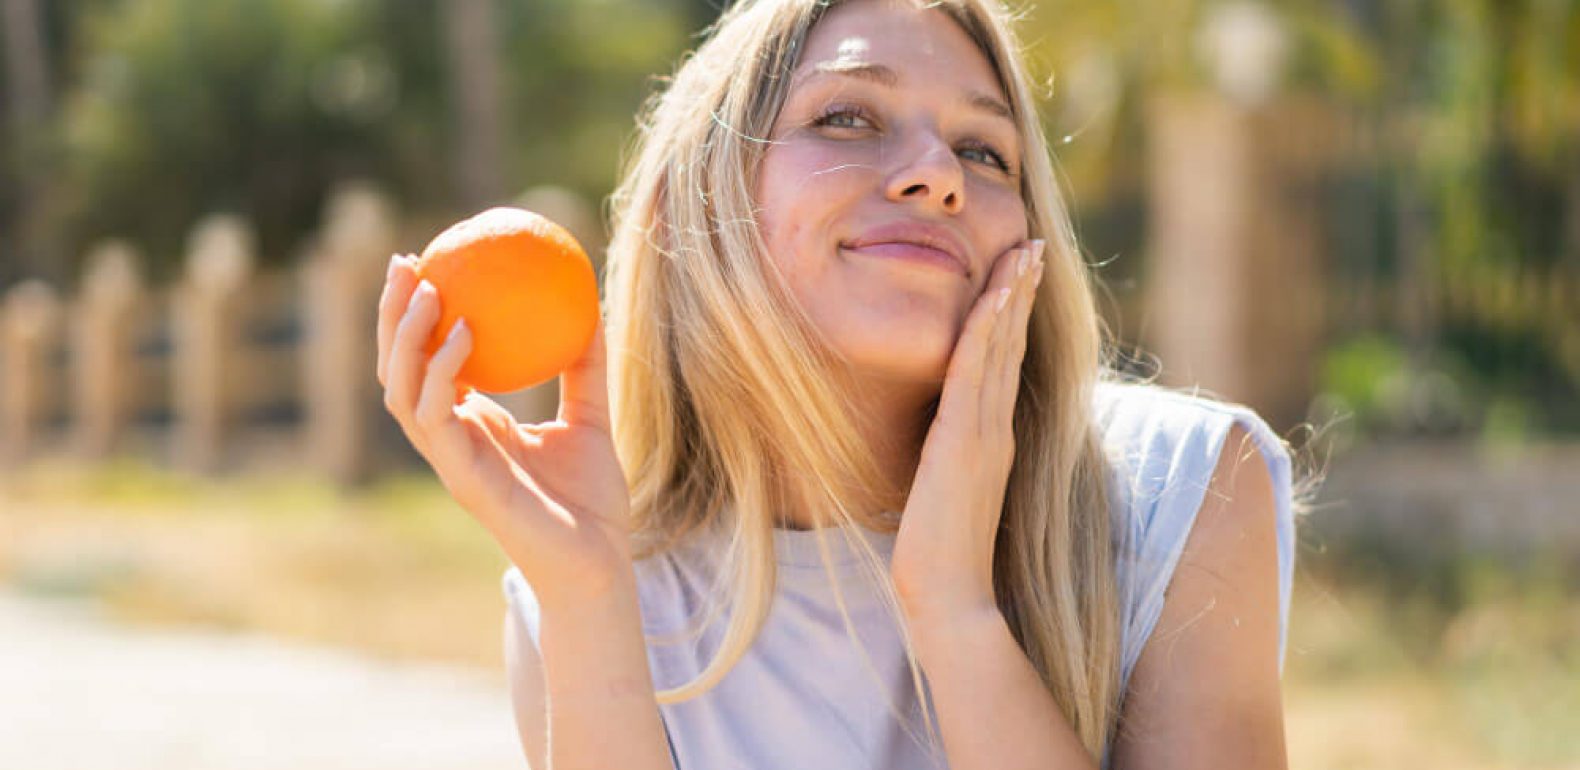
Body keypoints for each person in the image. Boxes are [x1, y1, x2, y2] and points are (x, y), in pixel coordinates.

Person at [375, 0, 1309, 767]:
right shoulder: (585, 600)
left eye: (985, 151)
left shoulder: (1178, 493)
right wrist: (585, 595)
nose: (937, 175)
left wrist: (954, 607)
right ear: (708, 200)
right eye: (848, 117)